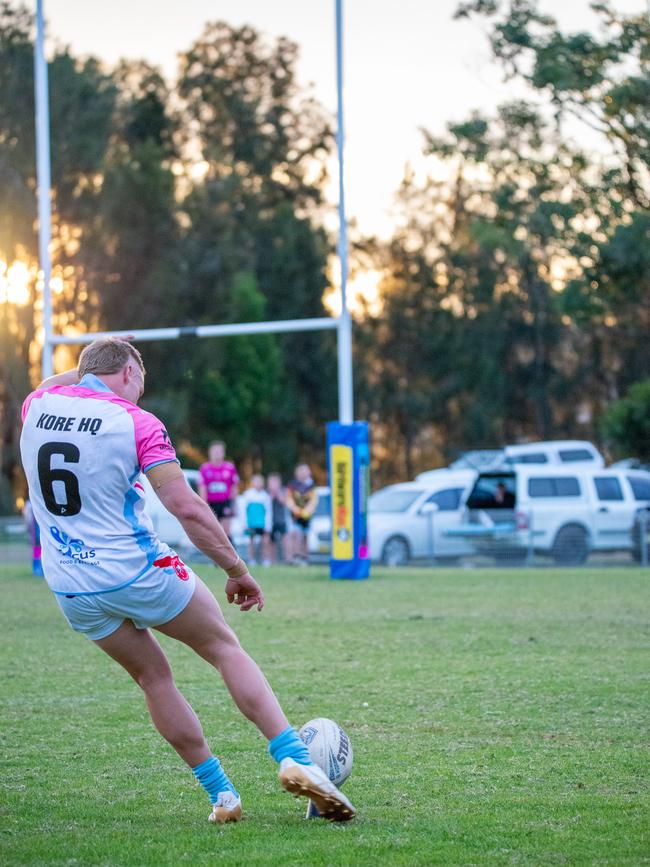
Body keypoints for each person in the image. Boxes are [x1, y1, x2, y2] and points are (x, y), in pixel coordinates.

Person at [19, 337, 355, 824]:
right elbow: (187, 507)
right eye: (141, 378)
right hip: (136, 568)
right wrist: (237, 571)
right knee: (224, 648)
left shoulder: (37, 406)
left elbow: (54, 382)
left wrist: (88, 369)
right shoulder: (136, 422)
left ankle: (222, 795)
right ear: (130, 373)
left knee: (153, 678)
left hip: (71, 583)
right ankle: (299, 762)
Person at [198, 441, 239, 539]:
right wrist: (204, 507)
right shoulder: (205, 468)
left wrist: (234, 505)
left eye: (219, 451)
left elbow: (234, 488)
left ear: (223, 453)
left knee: (227, 533)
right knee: (213, 533)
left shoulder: (229, 468)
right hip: (211, 504)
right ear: (210, 453)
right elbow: (202, 489)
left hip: (225, 503)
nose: (216, 454)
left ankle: (231, 553)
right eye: (214, 451)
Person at [286, 464, 319, 565]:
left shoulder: (311, 486)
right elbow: (289, 498)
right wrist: (295, 509)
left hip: (306, 515)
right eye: (301, 471)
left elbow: (314, 500)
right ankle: (295, 556)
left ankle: (305, 557)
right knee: (295, 534)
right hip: (295, 515)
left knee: (305, 535)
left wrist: (307, 511)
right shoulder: (293, 485)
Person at [240, 474, 272, 566]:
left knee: (265, 541)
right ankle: (251, 560)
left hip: (262, 523)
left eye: (260, 482)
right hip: (251, 523)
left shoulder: (265, 496)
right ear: (252, 483)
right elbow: (243, 510)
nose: (258, 484)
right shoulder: (248, 495)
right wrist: (244, 523)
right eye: (256, 481)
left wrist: (268, 525)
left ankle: (266, 559)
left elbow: (268, 511)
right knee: (251, 541)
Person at [267, 473, 289, 564]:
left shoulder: (283, 490)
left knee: (285, 540)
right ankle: (273, 560)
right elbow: (267, 502)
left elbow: (283, 502)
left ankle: (288, 559)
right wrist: (272, 494)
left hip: (281, 520)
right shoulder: (266, 492)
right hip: (270, 521)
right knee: (271, 541)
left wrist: (277, 493)